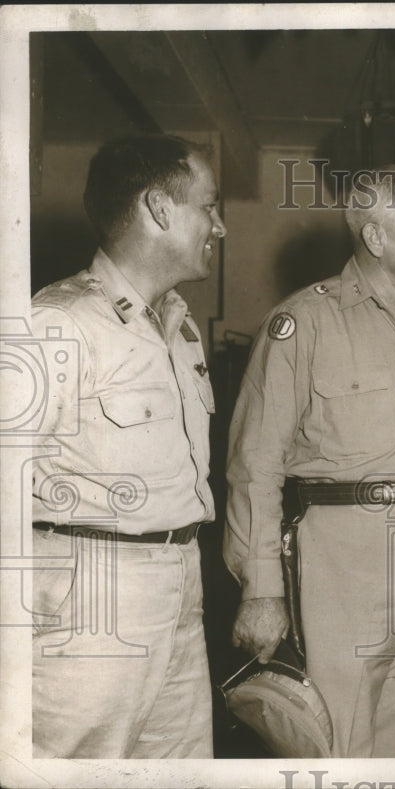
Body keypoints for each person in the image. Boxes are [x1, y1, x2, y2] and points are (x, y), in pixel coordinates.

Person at [225, 167, 395, 758]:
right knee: (339, 746)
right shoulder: (304, 323)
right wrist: (261, 588)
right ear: (375, 239)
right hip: (347, 567)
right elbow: (255, 464)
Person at [30, 134, 226, 757]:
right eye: (209, 207)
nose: (218, 226)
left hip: (183, 587)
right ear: (160, 209)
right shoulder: (57, 323)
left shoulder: (180, 327)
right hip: (90, 600)